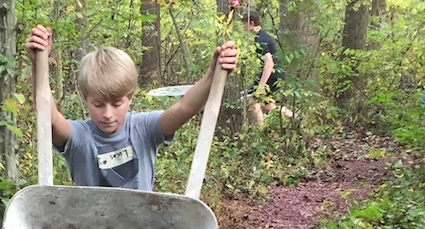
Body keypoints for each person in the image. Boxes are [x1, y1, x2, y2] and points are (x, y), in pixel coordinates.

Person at [25, 24, 238, 191]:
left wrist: (212, 74)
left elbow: (184, 108)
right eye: (98, 104)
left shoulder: (143, 129)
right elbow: (48, 118)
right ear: (85, 99)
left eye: (117, 104)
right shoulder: (80, 138)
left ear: (130, 97)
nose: (107, 114)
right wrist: (38, 66)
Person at [242, 10, 292, 127]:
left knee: (253, 99)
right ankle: (295, 118)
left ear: (251, 23)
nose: (243, 27)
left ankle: (260, 131)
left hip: (272, 74)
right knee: (267, 104)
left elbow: (269, 63)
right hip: (277, 73)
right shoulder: (263, 35)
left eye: (244, 24)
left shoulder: (260, 39)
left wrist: (260, 87)